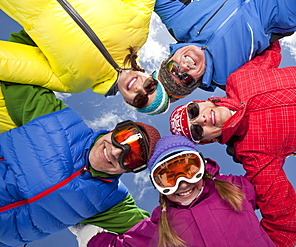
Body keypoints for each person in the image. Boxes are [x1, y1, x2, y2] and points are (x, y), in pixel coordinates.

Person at [168, 41, 296, 247]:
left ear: (202, 102)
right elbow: (283, 224)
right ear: (209, 139)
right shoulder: (253, 153)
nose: (200, 120)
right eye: (196, 130)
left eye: (192, 112)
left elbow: (267, 43)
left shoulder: (239, 79)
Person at [0, 80, 161, 246]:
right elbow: (13, 73)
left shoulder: (112, 202)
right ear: (114, 130)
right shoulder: (56, 118)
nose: (115, 151)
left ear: (128, 170)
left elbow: (159, 237)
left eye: (131, 158)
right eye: (123, 138)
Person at [69, 135, 275, 247]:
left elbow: (270, 184)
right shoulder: (163, 226)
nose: (183, 183)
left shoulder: (232, 188)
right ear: (159, 187)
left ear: (202, 167)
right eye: (169, 178)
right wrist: (89, 235)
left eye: (189, 169)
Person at [155, 0, 296, 102]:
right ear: (196, 82)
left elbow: (144, 4)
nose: (183, 68)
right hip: (287, 7)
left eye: (173, 68)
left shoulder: (179, 25)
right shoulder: (230, 78)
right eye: (185, 79)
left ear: (169, 58)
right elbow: (266, 93)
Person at [0, 0, 170, 115]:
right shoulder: (139, 32)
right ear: (150, 76)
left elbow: (13, 63)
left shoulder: (75, 82)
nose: (141, 89)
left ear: (128, 102)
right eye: (150, 86)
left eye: (140, 100)